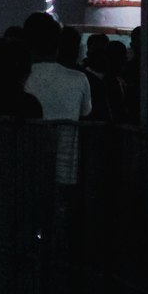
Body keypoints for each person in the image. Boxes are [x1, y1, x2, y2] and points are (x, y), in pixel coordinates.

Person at [23, 12, 91, 186]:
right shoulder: (79, 79)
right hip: (66, 171)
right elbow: (86, 112)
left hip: (28, 170)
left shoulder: (20, 79)